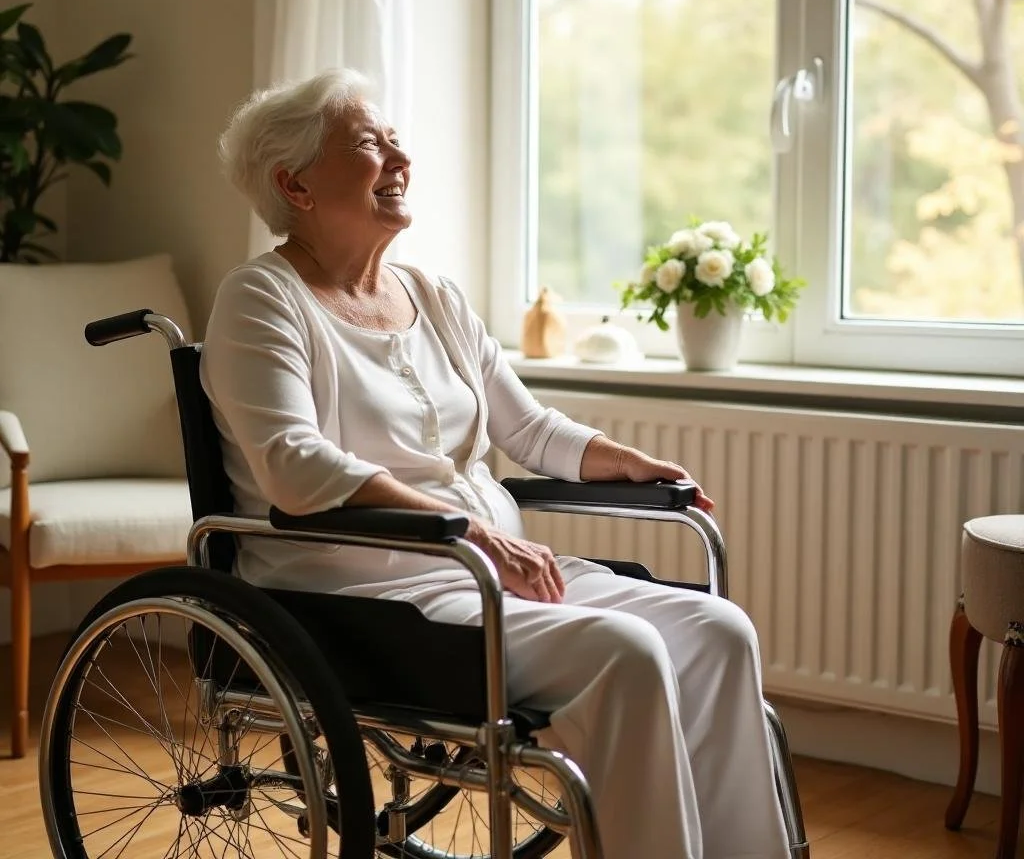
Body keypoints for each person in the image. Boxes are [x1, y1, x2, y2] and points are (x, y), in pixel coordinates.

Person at [202, 69, 791, 859]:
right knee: (629, 651)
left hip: (493, 573)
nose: (401, 159)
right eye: (373, 144)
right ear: (294, 185)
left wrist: (620, 461)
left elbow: (529, 427)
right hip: (368, 597)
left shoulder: (433, 295)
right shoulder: (261, 300)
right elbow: (295, 465)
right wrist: (476, 533)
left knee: (720, 630)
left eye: (398, 140)